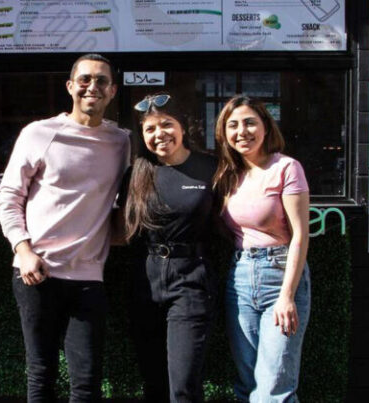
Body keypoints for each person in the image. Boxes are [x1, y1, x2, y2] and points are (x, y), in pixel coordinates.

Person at [0, 53, 130, 402]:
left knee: (87, 383)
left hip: (89, 277)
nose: (93, 87)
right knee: (41, 375)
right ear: (70, 86)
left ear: (113, 90)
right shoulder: (39, 133)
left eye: (102, 81)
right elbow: (9, 196)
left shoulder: (121, 142)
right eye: (85, 79)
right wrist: (23, 250)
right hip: (37, 273)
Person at [116, 93, 218, 402]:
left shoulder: (210, 168)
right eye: (150, 129)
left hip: (191, 281)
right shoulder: (136, 174)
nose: (159, 134)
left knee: (183, 385)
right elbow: (120, 228)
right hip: (145, 282)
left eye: (166, 124)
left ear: (183, 127)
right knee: (153, 383)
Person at [213, 95, 311, 402]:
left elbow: (299, 236)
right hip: (240, 278)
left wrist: (287, 295)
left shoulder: (286, 168)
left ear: (266, 127)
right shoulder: (229, 175)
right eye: (233, 125)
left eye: (250, 122)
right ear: (224, 133)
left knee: (273, 389)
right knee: (248, 382)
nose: (242, 131)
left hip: (279, 276)